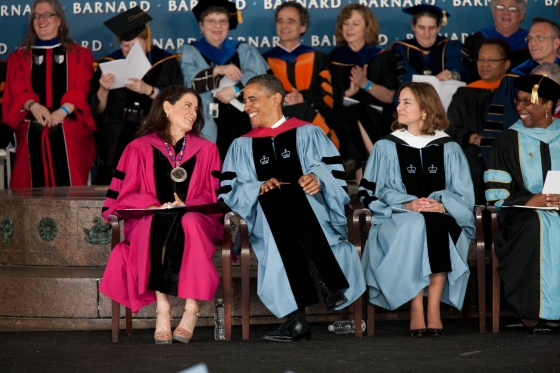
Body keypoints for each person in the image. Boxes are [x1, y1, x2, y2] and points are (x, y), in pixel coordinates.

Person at [219, 74, 365, 342]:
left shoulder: (308, 132)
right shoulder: (241, 145)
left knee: (292, 198)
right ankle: (328, 282)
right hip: (267, 223)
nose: (247, 105)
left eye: (253, 98)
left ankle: (296, 321)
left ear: (276, 99)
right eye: (244, 99)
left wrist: (317, 179)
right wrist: (258, 187)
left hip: (313, 217)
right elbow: (228, 191)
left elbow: (334, 174)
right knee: (277, 200)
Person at [99, 86, 223, 344]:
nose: (194, 112)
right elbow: (124, 192)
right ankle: (162, 309)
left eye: (196, 108)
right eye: (188, 105)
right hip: (151, 215)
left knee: (188, 221)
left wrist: (187, 203)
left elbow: (214, 195)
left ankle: (191, 309)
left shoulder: (207, 149)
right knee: (153, 224)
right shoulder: (138, 147)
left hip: (195, 216)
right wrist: (153, 204)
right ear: (167, 107)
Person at [359, 82, 475, 338]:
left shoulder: (449, 147)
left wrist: (443, 205)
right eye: (399, 101)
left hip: (443, 217)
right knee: (418, 224)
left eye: (406, 102)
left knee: (435, 221)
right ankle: (416, 307)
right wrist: (406, 204)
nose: (398, 107)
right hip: (398, 219)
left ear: (425, 110)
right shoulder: (386, 146)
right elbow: (367, 193)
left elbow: (465, 197)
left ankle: (431, 307)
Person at [484, 74, 560, 333]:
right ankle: (532, 312)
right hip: (522, 215)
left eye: (528, 101)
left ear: (548, 105)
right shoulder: (507, 141)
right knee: (534, 227)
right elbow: (496, 195)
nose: (520, 106)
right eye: (518, 101)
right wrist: (530, 200)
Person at [2, 0, 95, 188]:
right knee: (32, 133)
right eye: (36, 16)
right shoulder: (20, 56)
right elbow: (17, 89)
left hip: (69, 117)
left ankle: (71, 207)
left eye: (46, 15)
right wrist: (34, 106)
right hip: (30, 117)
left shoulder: (78, 54)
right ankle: (27, 211)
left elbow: (81, 88)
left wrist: (62, 111)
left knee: (64, 132)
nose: (40, 19)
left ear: (59, 20)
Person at [90, 7, 184, 185]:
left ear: (146, 41)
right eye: (125, 46)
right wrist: (103, 89)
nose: (129, 50)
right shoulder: (108, 64)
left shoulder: (166, 62)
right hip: (115, 138)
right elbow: (99, 109)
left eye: (134, 45)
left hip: (153, 131)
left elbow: (177, 104)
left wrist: (148, 89)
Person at [179, 0, 268, 160]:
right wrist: (217, 70)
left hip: (244, 120)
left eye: (222, 21)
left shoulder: (243, 49)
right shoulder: (190, 51)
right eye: (211, 21)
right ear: (201, 25)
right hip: (206, 121)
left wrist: (235, 89)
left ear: (228, 25)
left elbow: (261, 79)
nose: (217, 26)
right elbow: (188, 82)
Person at [329, 4, 398, 180]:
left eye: (355, 23)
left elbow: (390, 96)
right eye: (346, 23)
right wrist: (349, 94)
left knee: (358, 110)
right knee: (353, 110)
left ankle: (356, 166)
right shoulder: (334, 59)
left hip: (379, 117)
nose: (349, 28)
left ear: (367, 27)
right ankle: (373, 164)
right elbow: (330, 99)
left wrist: (366, 84)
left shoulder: (382, 56)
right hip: (343, 118)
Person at [481, 18, 560, 163]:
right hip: (524, 158)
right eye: (530, 39)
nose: (533, 43)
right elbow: (498, 126)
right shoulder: (514, 79)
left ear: (556, 42)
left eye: (540, 37)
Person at [262, 2, 339, 150]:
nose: (284, 26)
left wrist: (303, 97)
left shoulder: (319, 58)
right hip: (278, 118)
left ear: (303, 27)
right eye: (280, 21)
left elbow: (328, 95)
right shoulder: (265, 61)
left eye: (291, 21)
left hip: (313, 115)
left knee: (302, 109)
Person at [447, 39, 511, 204]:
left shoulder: (515, 93)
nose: (485, 64)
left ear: (506, 64)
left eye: (492, 60)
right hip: (471, 160)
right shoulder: (464, 93)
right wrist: (473, 138)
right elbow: (449, 127)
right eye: (481, 59)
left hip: (506, 158)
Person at [391, 5, 470, 85]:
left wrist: (452, 75)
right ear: (413, 26)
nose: (427, 34)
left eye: (431, 28)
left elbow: (459, 70)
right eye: (421, 27)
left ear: (438, 27)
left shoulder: (450, 46)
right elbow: (400, 80)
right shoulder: (402, 49)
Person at [462, 0, 530, 82]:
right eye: (501, 8)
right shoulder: (476, 41)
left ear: (521, 16)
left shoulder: (530, 42)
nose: (506, 12)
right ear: (493, 13)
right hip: (483, 92)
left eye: (512, 9)